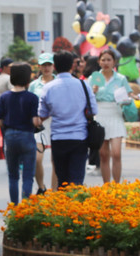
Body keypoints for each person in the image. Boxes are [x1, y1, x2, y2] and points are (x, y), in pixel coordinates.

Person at [33, 50, 96, 188]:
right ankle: (75, 206)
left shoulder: (48, 88)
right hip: (79, 136)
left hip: (58, 138)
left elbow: (42, 113)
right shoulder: (83, 85)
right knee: (77, 181)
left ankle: (64, 207)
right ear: (72, 66)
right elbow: (93, 110)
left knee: (62, 180)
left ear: (55, 66)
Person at [88, 49, 136, 183]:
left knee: (116, 153)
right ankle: (107, 186)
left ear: (114, 62)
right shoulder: (93, 78)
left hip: (115, 114)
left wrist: (134, 97)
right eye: (103, 60)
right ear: (99, 62)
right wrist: (93, 91)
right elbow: (86, 97)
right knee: (103, 155)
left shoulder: (120, 79)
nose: (106, 63)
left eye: (109, 60)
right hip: (100, 115)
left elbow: (129, 94)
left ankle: (116, 185)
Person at [0, 63, 40, 204]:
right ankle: (25, 208)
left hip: (10, 137)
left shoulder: (4, 97)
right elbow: (35, 121)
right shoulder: (32, 98)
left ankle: (14, 208)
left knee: (13, 176)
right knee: (27, 176)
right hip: (26, 136)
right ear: (28, 80)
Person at [28, 52, 55, 193]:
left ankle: (56, 192)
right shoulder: (33, 85)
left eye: (49, 64)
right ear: (39, 67)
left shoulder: (58, 82)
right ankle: (41, 187)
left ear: (53, 66)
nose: (46, 68)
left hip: (56, 122)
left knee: (56, 160)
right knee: (37, 159)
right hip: (39, 123)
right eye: (44, 65)